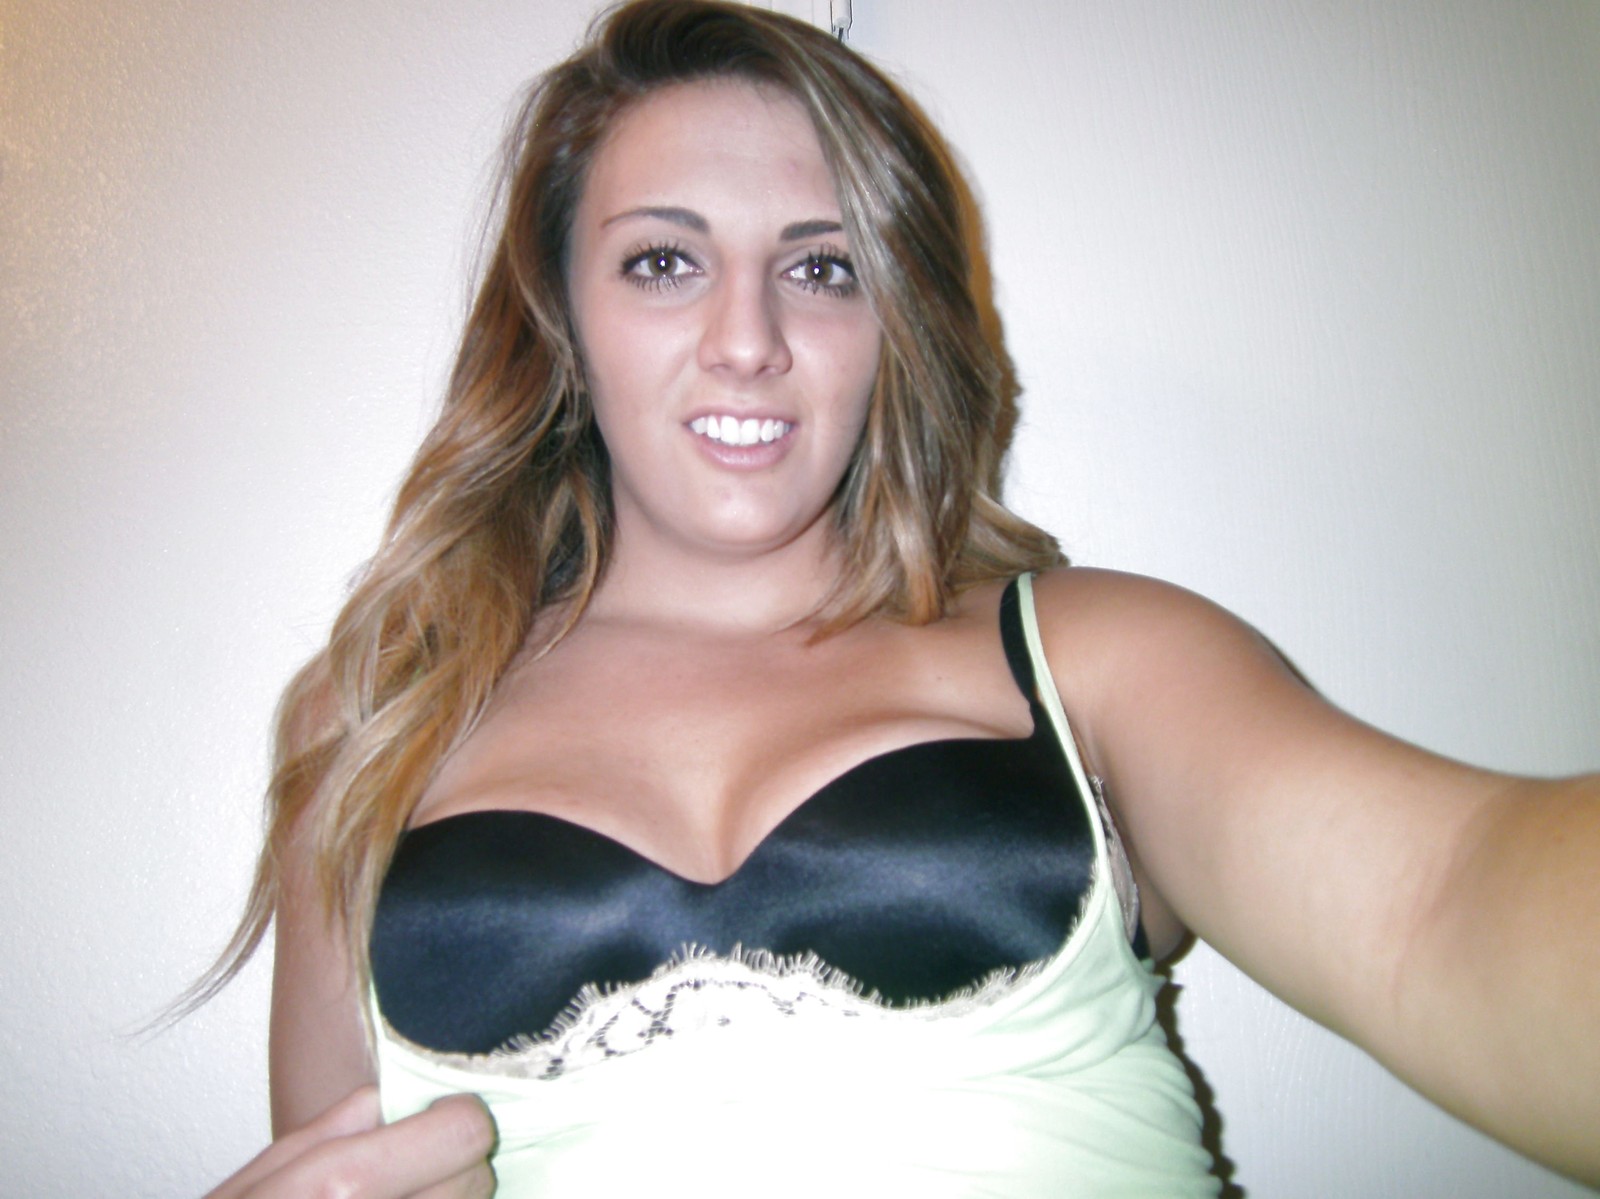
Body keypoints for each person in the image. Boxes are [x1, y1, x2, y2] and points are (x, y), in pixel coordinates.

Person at [202, 0, 1600, 1194]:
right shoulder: (379, 713)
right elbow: (341, 1162)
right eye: (664, 262)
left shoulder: (1100, 656)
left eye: (822, 269)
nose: (747, 340)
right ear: (562, 318)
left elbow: (1439, 907)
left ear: (896, 326)